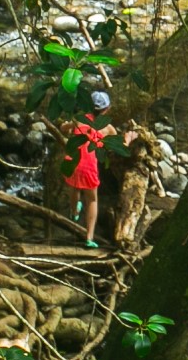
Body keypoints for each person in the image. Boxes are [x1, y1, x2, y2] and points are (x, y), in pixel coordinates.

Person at [50, 91, 136, 250]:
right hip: (89, 167)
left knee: (74, 187)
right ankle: (89, 238)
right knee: (92, 200)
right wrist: (129, 138)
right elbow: (119, 148)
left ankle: (74, 211)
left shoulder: (79, 120)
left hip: (72, 162)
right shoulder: (108, 128)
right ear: (107, 108)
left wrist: (68, 127)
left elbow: (63, 127)